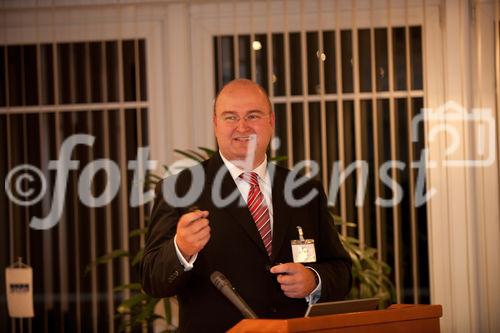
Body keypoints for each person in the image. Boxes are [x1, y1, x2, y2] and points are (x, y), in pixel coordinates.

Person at [141, 79, 352, 333]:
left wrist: (314, 280)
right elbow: (152, 280)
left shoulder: (305, 191)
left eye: (253, 115)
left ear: (271, 122)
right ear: (215, 124)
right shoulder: (180, 189)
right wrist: (181, 250)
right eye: (230, 117)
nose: (242, 126)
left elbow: (341, 271)